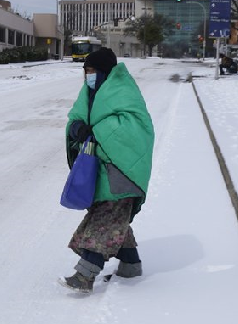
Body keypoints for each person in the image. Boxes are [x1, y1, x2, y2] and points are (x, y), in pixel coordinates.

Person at [60, 48, 154, 293]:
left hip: (122, 171)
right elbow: (77, 117)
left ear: (104, 72)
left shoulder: (123, 91)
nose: (88, 76)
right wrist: (76, 128)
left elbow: (132, 128)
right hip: (101, 170)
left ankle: (84, 275)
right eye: (86, 71)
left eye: (92, 71)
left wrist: (95, 132)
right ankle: (131, 265)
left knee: (105, 221)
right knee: (115, 219)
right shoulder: (90, 92)